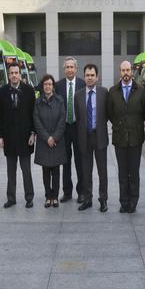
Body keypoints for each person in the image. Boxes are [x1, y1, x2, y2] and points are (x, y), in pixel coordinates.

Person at [107, 61, 145, 213]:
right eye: (123, 70)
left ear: (132, 71)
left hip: (136, 137)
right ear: (120, 71)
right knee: (123, 173)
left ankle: (133, 202)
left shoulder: (141, 90)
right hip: (120, 138)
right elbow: (110, 113)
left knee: (134, 172)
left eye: (128, 70)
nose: (126, 73)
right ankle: (124, 202)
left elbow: (144, 113)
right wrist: (120, 125)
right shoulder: (113, 91)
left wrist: (134, 124)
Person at [0, 64, 36, 208]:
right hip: (9, 138)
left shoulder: (29, 91)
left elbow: (33, 114)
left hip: (26, 138)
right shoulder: (2, 92)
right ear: (8, 75)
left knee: (26, 171)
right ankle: (11, 198)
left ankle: (29, 197)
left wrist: (33, 133)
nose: (14, 75)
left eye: (16, 73)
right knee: (10, 171)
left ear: (20, 74)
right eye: (11, 73)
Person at [75, 64, 109, 212]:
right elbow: (79, 117)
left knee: (102, 171)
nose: (89, 78)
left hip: (99, 136)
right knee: (86, 170)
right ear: (84, 77)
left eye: (92, 75)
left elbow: (108, 113)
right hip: (84, 137)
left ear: (97, 77)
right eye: (87, 75)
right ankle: (87, 199)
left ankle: (103, 199)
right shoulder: (78, 95)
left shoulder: (104, 93)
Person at [33, 74, 67, 208]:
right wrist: (47, 137)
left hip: (57, 141)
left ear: (53, 87)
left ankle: (55, 196)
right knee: (46, 170)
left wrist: (54, 137)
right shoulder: (37, 102)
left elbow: (62, 121)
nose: (48, 86)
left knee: (56, 170)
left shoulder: (60, 100)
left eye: (50, 84)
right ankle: (48, 196)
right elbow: (37, 121)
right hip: (44, 141)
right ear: (43, 86)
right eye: (45, 84)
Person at [55, 57, 85, 202]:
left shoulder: (83, 84)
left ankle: (81, 192)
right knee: (65, 162)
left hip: (78, 128)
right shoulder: (58, 86)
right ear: (64, 69)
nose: (69, 69)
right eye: (67, 67)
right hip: (64, 129)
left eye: (72, 67)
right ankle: (67, 192)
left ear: (76, 69)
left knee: (80, 161)